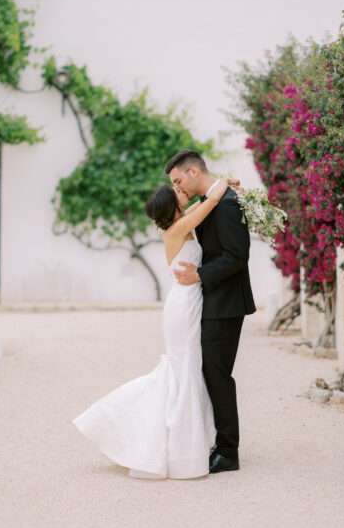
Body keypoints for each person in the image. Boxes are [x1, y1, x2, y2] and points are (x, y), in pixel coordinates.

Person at [71, 176, 231, 479]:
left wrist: (220, 184)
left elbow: (201, 203)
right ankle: (171, 446)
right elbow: (210, 202)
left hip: (188, 301)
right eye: (177, 192)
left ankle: (185, 445)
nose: (182, 192)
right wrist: (222, 182)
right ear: (172, 207)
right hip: (183, 306)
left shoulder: (179, 223)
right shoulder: (177, 230)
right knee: (182, 371)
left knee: (186, 370)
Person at [165, 150, 256, 474]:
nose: (178, 187)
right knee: (210, 372)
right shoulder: (214, 200)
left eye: (178, 180)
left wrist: (199, 276)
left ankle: (228, 452)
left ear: (192, 172)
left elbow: (237, 256)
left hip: (226, 302)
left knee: (217, 374)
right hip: (213, 301)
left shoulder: (227, 204)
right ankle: (220, 441)